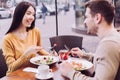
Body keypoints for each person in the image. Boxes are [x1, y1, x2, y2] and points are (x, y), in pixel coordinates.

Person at [59, 0, 120, 80]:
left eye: (87, 17)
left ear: (97, 18)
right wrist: (84, 55)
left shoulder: (108, 45)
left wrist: (70, 72)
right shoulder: (114, 37)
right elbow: (104, 58)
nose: (85, 21)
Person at [2, 1, 49, 75]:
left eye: (33, 14)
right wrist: (26, 54)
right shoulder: (7, 39)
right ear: (19, 15)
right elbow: (11, 68)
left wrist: (51, 56)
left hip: (32, 73)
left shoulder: (35, 31)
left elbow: (40, 49)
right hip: (15, 76)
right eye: (28, 13)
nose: (32, 17)